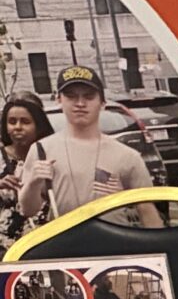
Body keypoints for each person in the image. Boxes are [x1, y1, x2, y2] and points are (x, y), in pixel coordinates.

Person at [14, 67, 151, 227]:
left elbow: (147, 210)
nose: (80, 103)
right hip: (65, 247)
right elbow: (28, 210)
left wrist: (161, 249)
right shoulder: (42, 150)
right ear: (59, 100)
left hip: (115, 247)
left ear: (102, 103)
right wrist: (33, 183)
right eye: (71, 96)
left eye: (89, 96)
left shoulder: (127, 156)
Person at [0, 91, 54, 242]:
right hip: (6, 246)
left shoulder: (51, 155)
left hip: (45, 241)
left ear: (39, 124)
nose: (17, 127)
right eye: (12, 122)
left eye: (25, 121)